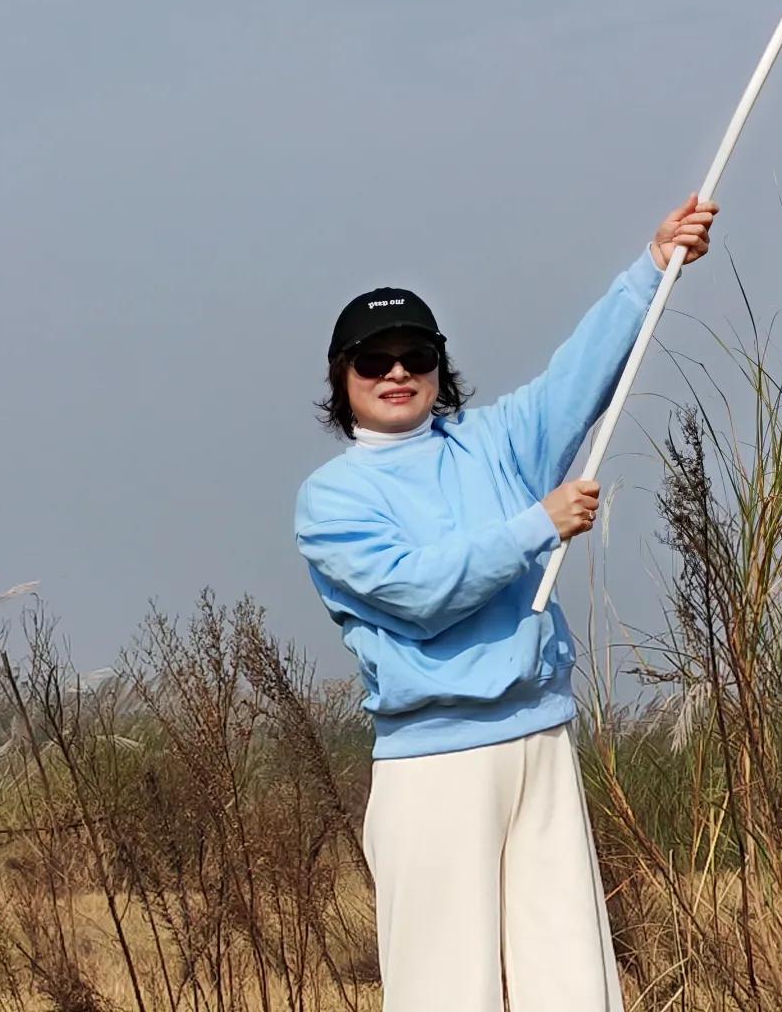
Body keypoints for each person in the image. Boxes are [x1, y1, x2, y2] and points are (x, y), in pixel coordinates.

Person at [294, 194, 718, 1012]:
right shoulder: (332, 500)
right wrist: (539, 524)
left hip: (541, 740)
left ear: (438, 368)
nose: (396, 373)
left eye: (415, 354)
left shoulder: (495, 442)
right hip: (433, 763)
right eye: (372, 360)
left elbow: (578, 379)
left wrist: (652, 264)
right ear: (341, 380)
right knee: (445, 993)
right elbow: (420, 594)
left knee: (574, 986)